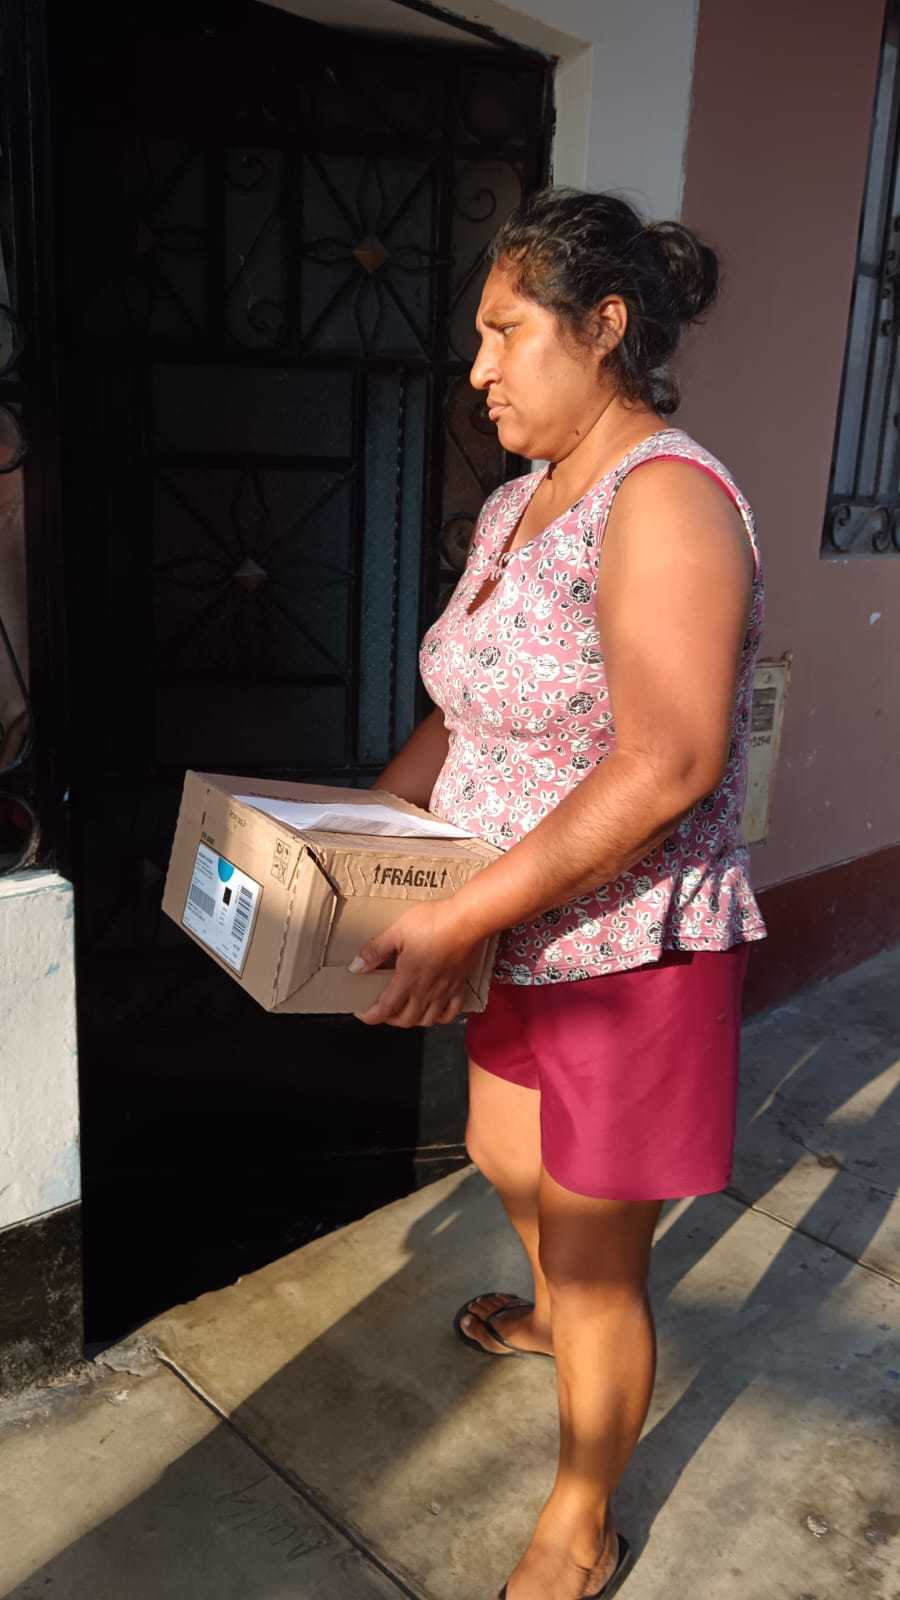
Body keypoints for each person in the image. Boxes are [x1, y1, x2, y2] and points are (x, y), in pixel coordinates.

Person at [351, 187, 766, 1600]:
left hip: (624, 949)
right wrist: (363, 837)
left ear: (604, 329)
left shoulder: (667, 500)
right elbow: (463, 708)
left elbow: (670, 761)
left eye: (505, 332)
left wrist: (459, 914)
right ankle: (556, 1316)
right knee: (501, 1150)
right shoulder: (518, 505)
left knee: (599, 1263)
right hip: (517, 932)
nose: (478, 368)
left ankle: (583, 1518)